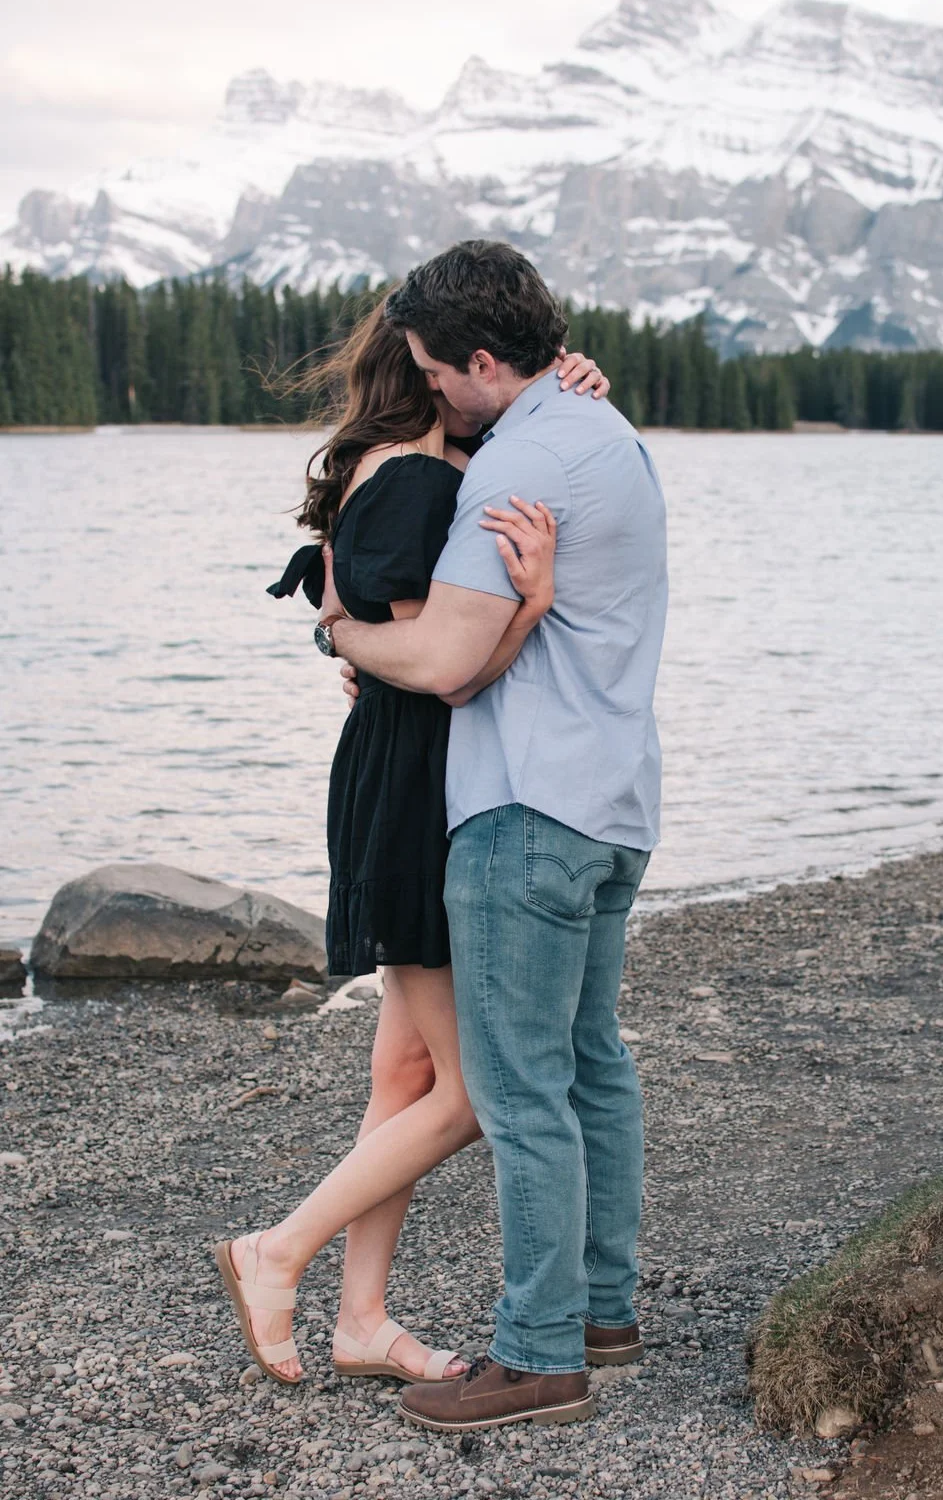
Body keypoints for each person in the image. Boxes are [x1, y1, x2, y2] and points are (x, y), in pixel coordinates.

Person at [215, 299, 609, 1388]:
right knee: (475, 1095)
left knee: (404, 1067)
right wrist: (529, 607)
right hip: (413, 785)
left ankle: (362, 1320)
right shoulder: (422, 476)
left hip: (394, 768)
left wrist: (562, 381)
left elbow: (369, 628)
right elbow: (443, 663)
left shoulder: (409, 463)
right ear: (433, 371)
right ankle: (277, 1249)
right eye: (462, 370)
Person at [324, 240, 668, 1433]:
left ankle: (535, 1355)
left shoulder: (515, 463)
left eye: (431, 364)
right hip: (617, 799)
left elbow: (445, 663)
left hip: (526, 809)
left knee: (521, 1088)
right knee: (588, 1063)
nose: (421, 381)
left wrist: (338, 632)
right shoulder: (603, 433)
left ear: (480, 360)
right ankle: (602, 1314)